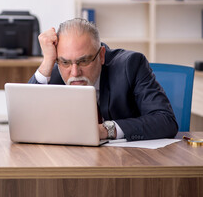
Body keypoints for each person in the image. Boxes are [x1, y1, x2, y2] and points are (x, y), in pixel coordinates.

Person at [29, 18, 178, 141]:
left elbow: (166, 121)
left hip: (127, 163)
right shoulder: (55, 71)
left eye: (84, 61)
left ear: (101, 55)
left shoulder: (130, 65)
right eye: (65, 62)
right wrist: (47, 61)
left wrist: (106, 130)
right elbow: (26, 120)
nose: (74, 72)